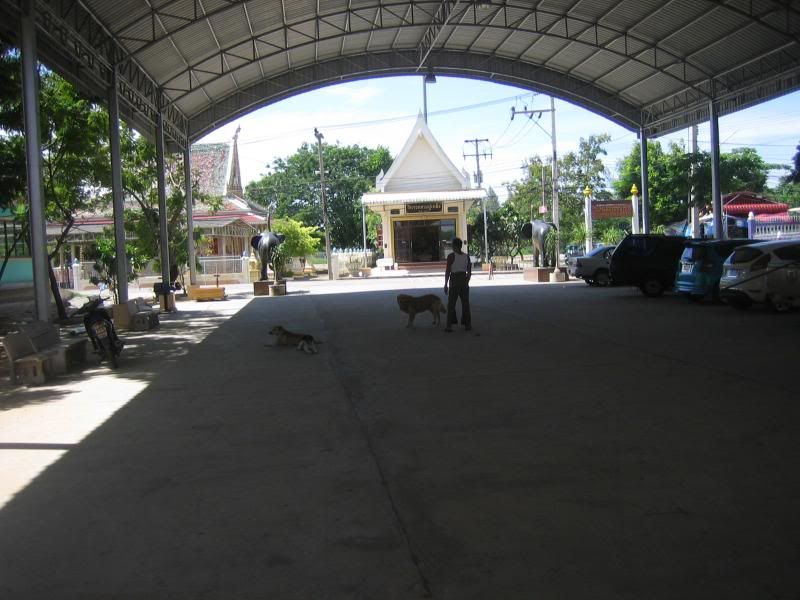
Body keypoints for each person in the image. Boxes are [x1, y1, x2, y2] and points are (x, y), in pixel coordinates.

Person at [443, 237, 472, 332]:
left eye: (452, 245)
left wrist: (445, 284)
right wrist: (467, 281)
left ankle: (449, 326)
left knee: (451, 304)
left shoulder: (451, 256)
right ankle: (467, 325)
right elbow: (469, 272)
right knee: (465, 304)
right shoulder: (466, 256)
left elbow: (448, 271)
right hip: (463, 280)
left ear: (455, 246)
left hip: (454, 281)